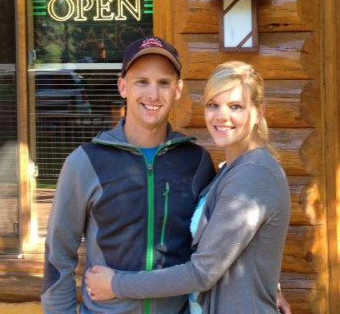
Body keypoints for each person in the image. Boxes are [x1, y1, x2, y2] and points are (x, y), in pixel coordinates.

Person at [85, 61, 292, 314]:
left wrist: (116, 284)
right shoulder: (230, 168)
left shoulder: (254, 174)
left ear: (259, 112)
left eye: (235, 106)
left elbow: (202, 272)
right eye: (213, 105)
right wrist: (272, 286)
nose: (221, 116)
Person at [41, 36, 216, 314]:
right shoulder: (86, 162)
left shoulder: (196, 162)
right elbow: (58, 257)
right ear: (123, 86)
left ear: (178, 89)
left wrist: (269, 290)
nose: (153, 95)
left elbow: (221, 244)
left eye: (163, 83)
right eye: (141, 81)